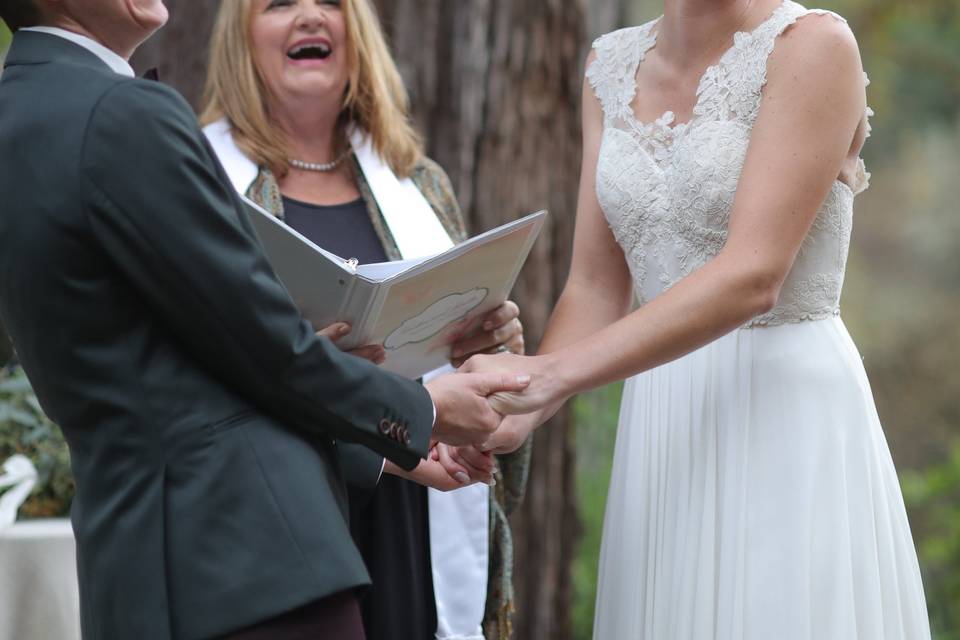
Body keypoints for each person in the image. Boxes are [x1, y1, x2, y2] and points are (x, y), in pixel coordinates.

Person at [0, 1, 533, 638]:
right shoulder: (122, 113)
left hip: (140, 567)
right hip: (252, 567)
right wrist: (424, 412)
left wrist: (386, 451)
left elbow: (174, 372)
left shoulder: (19, 115)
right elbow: (267, 349)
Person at [464, 0, 932, 638]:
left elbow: (753, 276)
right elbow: (597, 286)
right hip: (661, 421)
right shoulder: (610, 64)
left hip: (782, 414)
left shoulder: (811, 46)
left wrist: (552, 375)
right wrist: (514, 409)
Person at [199, 2, 531, 638]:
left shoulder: (419, 184)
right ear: (240, 38)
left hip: (414, 516)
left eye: (330, 3)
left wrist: (493, 351)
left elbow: (465, 357)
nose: (309, 18)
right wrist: (309, 372)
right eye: (278, 4)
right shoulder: (203, 184)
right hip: (282, 521)